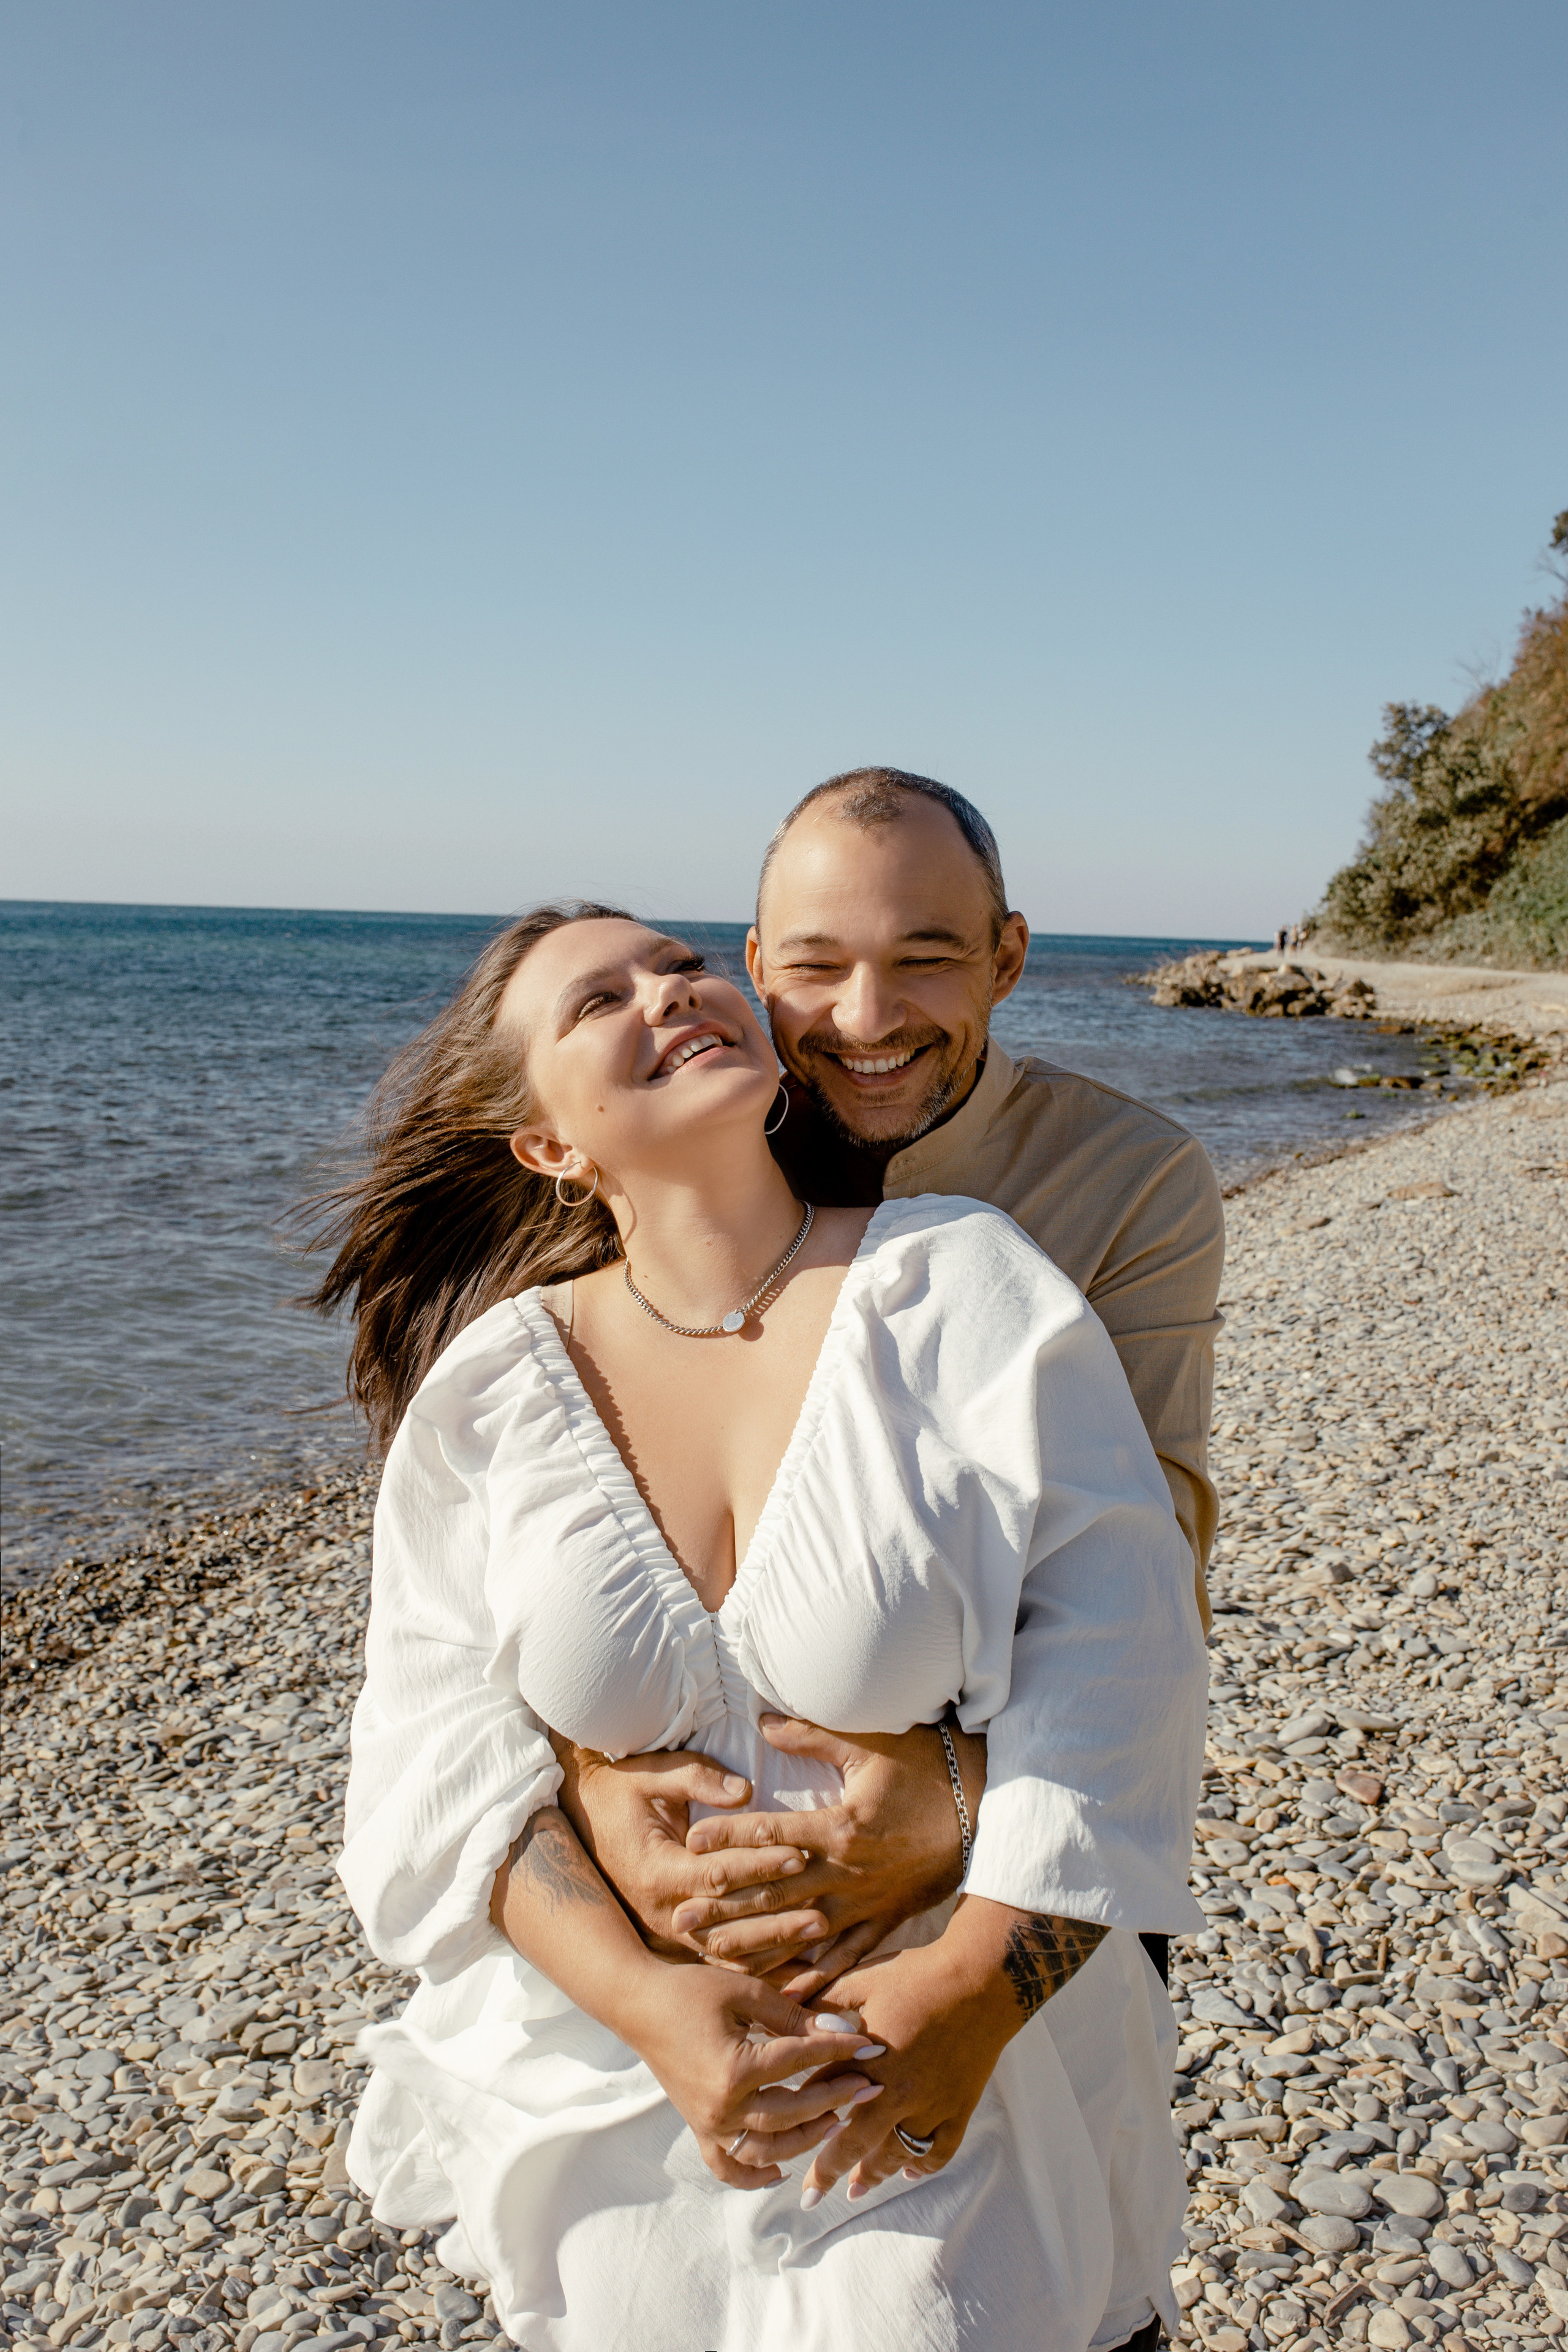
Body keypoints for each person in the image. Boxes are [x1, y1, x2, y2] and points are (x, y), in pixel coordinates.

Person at [317, 903, 1208, 2352]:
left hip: (948, 2079)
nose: (670, 993)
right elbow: (432, 1758)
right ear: (547, 1142)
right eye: (598, 999)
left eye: (679, 966)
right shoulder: (494, 1392)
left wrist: (974, 1989)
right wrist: (653, 2009)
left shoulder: (959, 1284)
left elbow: (1124, 1658)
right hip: (627, 2105)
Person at [559, 772, 1225, 2345]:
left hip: (1009, 1831)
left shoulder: (1122, 1179)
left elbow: (1146, 1552)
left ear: (1005, 955)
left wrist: (955, 1799)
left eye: (925, 956)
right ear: (750, 964)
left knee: (1043, 2272)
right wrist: (591, 1784)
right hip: (693, 1877)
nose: (865, 1016)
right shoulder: (678, 1144)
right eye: (813, 964)